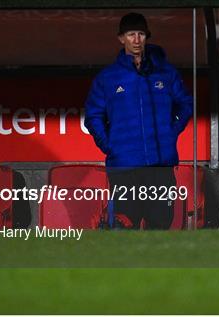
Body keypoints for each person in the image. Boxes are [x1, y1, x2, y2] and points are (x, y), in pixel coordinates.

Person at [84, 12, 193, 230]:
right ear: (121, 38)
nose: (136, 40)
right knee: (126, 226)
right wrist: (110, 146)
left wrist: (170, 133)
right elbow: (93, 116)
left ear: (146, 37)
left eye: (141, 34)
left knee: (161, 224)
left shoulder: (165, 72)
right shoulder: (108, 77)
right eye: (131, 34)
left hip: (160, 166)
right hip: (124, 166)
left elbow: (186, 104)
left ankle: (156, 265)